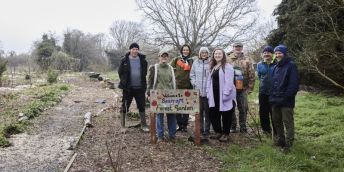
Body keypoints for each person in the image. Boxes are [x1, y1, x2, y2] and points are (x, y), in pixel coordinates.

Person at [269, 44, 299, 153]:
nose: (277, 55)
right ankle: (280, 140)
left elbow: (294, 84)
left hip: (286, 101)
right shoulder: (274, 67)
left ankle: (289, 145)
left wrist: (286, 97)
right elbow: (272, 84)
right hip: (275, 100)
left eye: (279, 52)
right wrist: (271, 97)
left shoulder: (291, 65)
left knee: (288, 122)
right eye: (276, 53)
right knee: (277, 121)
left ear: (284, 53)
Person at [118, 43, 149, 132]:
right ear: (130, 50)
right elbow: (120, 72)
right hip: (128, 89)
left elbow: (145, 73)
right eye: (133, 49)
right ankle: (123, 126)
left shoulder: (143, 60)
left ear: (138, 50)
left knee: (142, 106)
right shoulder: (124, 60)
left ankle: (143, 125)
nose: (135, 51)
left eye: (136, 49)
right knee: (125, 106)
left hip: (140, 88)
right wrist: (124, 82)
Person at [207, 48, 236, 142]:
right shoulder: (214, 66)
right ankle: (218, 132)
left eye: (219, 54)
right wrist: (208, 92)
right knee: (214, 113)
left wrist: (226, 93)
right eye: (216, 54)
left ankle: (226, 134)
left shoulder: (227, 66)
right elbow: (209, 81)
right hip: (214, 95)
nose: (217, 55)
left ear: (223, 55)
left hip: (223, 95)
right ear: (213, 55)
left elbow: (229, 81)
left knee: (226, 114)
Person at [147, 51, 177, 142]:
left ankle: (172, 135)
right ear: (159, 57)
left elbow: (173, 82)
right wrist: (148, 94)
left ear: (168, 58)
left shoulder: (171, 68)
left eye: (165, 56)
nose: (164, 58)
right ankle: (160, 135)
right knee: (159, 116)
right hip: (158, 95)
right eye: (162, 56)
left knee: (171, 116)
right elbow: (150, 82)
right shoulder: (154, 68)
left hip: (170, 95)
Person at [226, 42, 255, 133]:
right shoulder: (228, 59)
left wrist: (249, 89)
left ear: (242, 48)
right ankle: (233, 126)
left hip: (243, 89)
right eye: (236, 47)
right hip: (231, 88)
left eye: (240, 47)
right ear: (233, 48)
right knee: (231, 108)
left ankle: (243, 126)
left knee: (243, 108)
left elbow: (252, 75)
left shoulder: (247, 59)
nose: (238, 48)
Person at [170, 44, 194, 132]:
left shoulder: (192, 61)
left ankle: (185, 126)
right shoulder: (176, 59)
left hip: (188, 87)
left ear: (189, 51)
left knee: (186, 108)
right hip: (177, 86)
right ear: (181, 51)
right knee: (178, 107)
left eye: (187, 50)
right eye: (184, 50)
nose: (185, 51)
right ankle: (179, 125)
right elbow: (170, 69)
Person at [190, 47, 211, 138]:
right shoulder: (195, 63)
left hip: (208, 92)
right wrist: (194, 83)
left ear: (208, 53)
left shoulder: (211, 62)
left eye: (205, 52)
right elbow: (192, 74)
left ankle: (207, 129)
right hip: (198, 91)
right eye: (202, 52)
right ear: (199, 53)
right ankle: (200, 128)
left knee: (208, 111)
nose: (204, 54)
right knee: (199, 111)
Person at [257, 46, 276, 135]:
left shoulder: (277, 64)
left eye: (268, 52)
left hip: (275, 92)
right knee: (263, 112)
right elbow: (260, 76)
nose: (266, 54)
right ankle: (266, 130)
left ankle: (276, 130)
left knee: (274, 112)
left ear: (272, 54)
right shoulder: (259, 64)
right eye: (264, 52)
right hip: (263, 92)